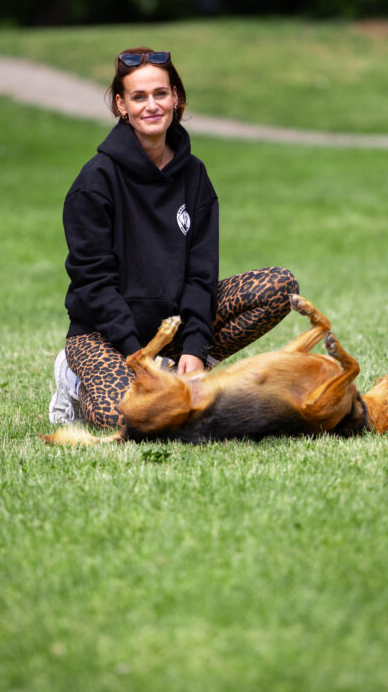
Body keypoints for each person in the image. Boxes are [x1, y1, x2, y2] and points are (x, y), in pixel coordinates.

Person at [49, 46, 298, 428]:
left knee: (279, 286)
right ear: (121, 105)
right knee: (125, 419)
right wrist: (139, 356)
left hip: (174, 329)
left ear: (176, 98)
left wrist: (196, 348)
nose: (152, 105)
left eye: (160, 94)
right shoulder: (94, 183)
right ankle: (73, 381)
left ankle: (184, 373)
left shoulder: (194, 176)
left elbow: (201, 275)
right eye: (139, 96)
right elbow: (94, 283)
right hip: (104, 336)